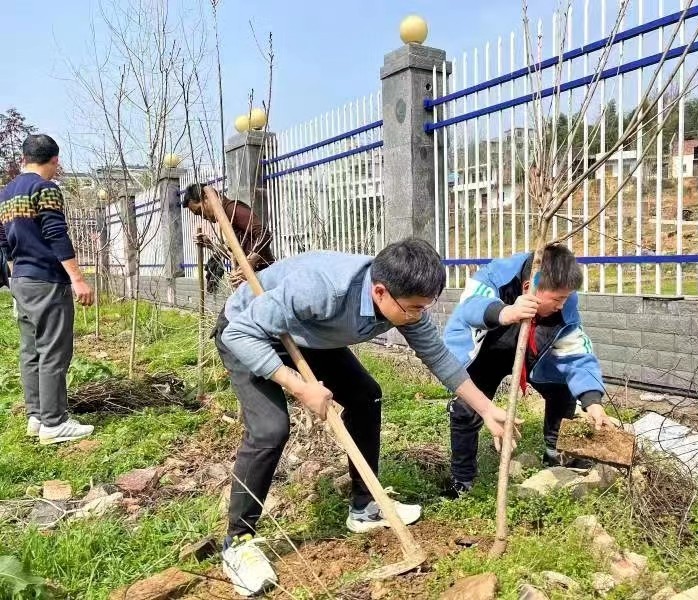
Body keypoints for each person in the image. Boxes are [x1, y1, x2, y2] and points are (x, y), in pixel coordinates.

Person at [214, 238, 519, 596]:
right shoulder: (322, 288)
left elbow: (438, 356)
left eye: (425, 306)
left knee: (365, 396)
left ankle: (363, 508)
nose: (419, 314)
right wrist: (299, 387)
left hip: (307, 336)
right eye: (414, 308)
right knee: (270, 429)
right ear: (380, 292)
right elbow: (239, 334)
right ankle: (238, 543)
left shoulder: (404, 300)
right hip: (248, 330)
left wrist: (486, 408)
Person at [442, 243, 614, 497]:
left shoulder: (564, 301)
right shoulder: (497, 275)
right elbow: (470, 307)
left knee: (562, 387)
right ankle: (462, 480)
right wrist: (506, 312)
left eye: (566, 298)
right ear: (529, 288)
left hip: (536, 348)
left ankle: (556, 453)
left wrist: (592, 401)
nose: (561, 305)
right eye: (557, 299)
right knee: (467, 409)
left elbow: (576, 353)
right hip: (488, 348)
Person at [0, 134, 94, 444]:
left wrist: (16, 279)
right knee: (54, 350)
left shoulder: (5, 194)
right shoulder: (45, 189)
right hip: (46, 281)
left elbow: (4, 245)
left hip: (21, 281)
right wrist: (77, 279)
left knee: (30, 351)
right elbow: (56, 234)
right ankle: (55, 423)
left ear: (24, 158)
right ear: (54, 160)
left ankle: (37, 416)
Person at [182, 184, 275, 288]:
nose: (203, 217)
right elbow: (233, 253)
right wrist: (209, 244)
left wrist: (250, 262)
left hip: (263, 275)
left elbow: (264, 234)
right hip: (252, 278)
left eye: (199, 211)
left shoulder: (232, 209)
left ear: (206, 198)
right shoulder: (224, 218)